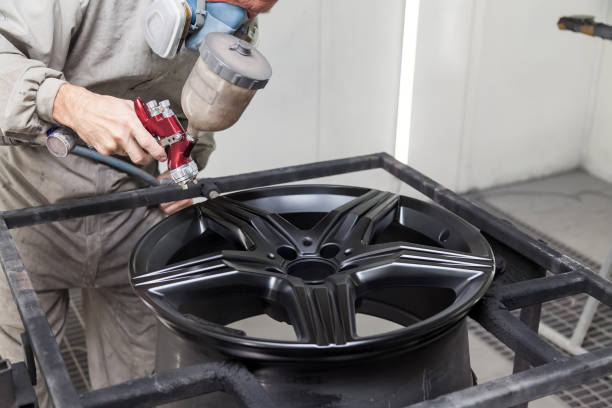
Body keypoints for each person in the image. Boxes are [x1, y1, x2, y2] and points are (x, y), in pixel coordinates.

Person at [0, 1, 277, 406]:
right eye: (229, 4)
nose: (235, 22)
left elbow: (194, 118)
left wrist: (188, 160)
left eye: (256, 12)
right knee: (25, 381)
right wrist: (70, 103)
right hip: (32, 211)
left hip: (135, 218)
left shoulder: (236, 24)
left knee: (136, 388)